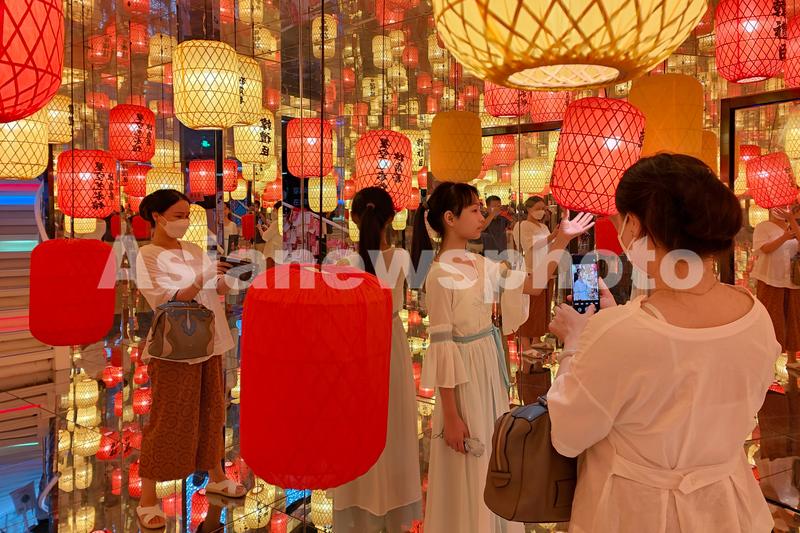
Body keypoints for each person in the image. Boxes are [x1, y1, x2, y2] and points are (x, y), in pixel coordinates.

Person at [547, 153, 780, 532]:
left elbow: (568, 436)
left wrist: (577, 343)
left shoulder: (618, 332)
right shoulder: (755, 315)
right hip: (728, 506)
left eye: (620, 220)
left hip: (636, 511)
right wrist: (615, 322)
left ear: (636, 224)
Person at [411, 182, 593, 533]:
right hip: (464, 378)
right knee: (471, 457)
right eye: (474, 210)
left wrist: (561, 240)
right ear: (450, 218)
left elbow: (533, 284)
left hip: (487, 369)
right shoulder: (439, 275)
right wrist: (451, 415)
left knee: (494, 454)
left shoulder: (479, 263)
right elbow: (442, 346)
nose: (482, 216)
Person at [134, 190, 245, 530]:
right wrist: (202, 277)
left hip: (209, 341)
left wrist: (230, 276)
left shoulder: (194, 250)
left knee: (212, 413)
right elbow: (165, 300)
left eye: (187, 216)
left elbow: (215, 290)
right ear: (157, 217)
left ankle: (216, 475)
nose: (183, 222)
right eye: (178, 215)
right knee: (169, 418)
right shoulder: (147, 255)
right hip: (175, 348)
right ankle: (148, 497)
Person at [332, 187, 422, 533]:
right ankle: (393, 501)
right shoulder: (400, 257)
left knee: (357, 423)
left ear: (354, 219)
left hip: (356, 346)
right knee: (393, 420)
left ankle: (360, 498)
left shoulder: (345, 263)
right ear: (391, 219)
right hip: (391, 340)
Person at [752, 205, 800, 370]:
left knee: (793, 317)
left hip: (793, 280)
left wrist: (792, 221)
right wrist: (785, 237)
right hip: (770, 278)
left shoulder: (793, 225)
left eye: (786, 207)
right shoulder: (763, 227)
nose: (782, 210)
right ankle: (768, 359)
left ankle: (792, 359)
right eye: (778, 207)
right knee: (771, 316)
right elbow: (765, 249)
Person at [511, 196, 559, 350]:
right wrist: (553, 236)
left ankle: (537, 339)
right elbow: (530, 246)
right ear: (529, 209)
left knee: (542, 309)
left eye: (543, 209)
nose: (541, 212)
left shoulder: (543, 227)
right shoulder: (522, 225)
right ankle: (526, 343)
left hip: (546, 270)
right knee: (531, 308)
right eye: (538, 208)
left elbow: (549, 245)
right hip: (531, 270)